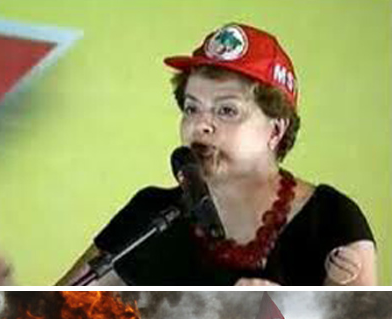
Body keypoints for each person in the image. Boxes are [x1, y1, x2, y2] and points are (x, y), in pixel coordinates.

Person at [57, 23, 376, 287]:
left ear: (275, 131)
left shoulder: (331, 219)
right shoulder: (151, 216)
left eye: (226, 110)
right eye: (192, 107)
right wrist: (9, 298)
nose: (200, 125)